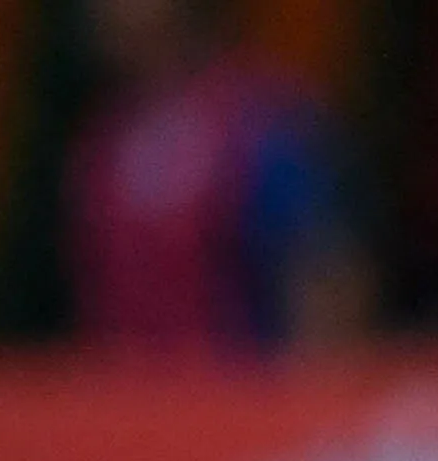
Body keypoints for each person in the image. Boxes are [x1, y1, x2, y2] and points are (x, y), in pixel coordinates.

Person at [67, 0, 366, 352]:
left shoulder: (256, 122)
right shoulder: (104, 142)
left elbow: (325, 281)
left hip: (240, 396)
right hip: (129, 398)